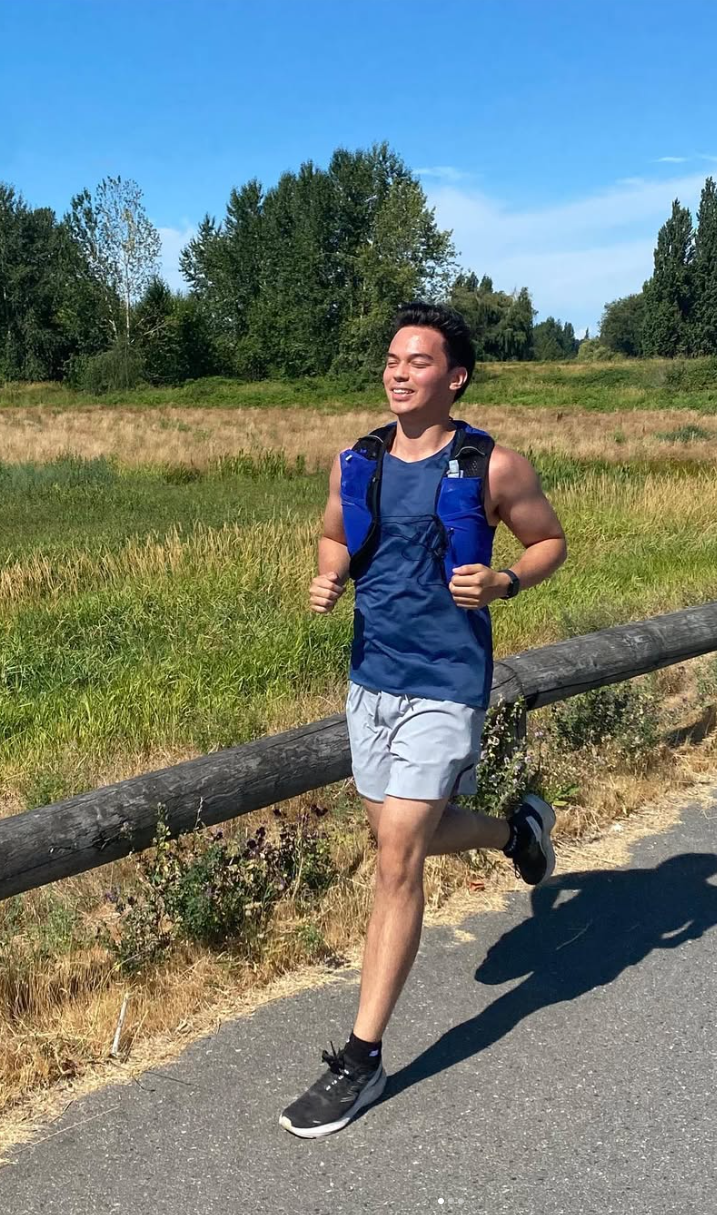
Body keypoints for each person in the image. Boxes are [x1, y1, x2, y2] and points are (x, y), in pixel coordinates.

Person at [280, 302, 568, 1139]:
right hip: (371, 678)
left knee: (398, 854)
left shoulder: (492, 465)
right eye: (391, 361)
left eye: (417, 361)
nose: (398, 372)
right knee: (408, 833)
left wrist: (508, 582)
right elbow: (334, 535)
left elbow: (549, 540)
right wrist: (329, 575)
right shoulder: (358, 461)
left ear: (456, 376)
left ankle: (361, 1059)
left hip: (445, 683)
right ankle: (516, 833)